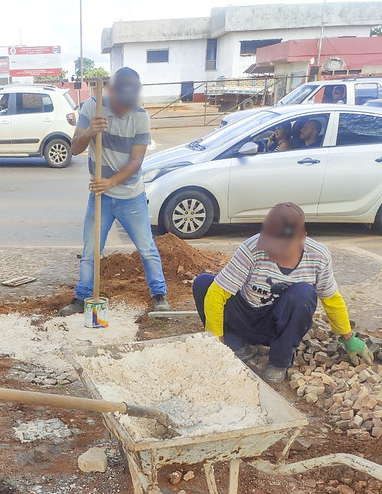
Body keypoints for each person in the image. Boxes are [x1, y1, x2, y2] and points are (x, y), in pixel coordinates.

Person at [192, 203, 373, 383]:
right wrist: (217, 344)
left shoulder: (319, 257)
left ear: (302, 238)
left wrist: (348, 338)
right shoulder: (251, 248)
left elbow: (331, 299)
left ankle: (279, 362)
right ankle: (236, 345)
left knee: (304, 293)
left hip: (276, 327)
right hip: (247, 316)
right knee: (205, 284)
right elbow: (217, 294)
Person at [59, 67, 170, 316]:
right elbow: (74, 149)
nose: (123, 111)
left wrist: (110, 182)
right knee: (90, 250)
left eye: (129, 105)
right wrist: (89, 132)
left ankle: (159, 294)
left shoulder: (140, 116)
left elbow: (135, 163)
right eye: (121, 104)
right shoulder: (92, 107)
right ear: (111, 92)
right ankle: (82, 297)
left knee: (146, 248)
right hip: (101, 197)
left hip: (131, 196)